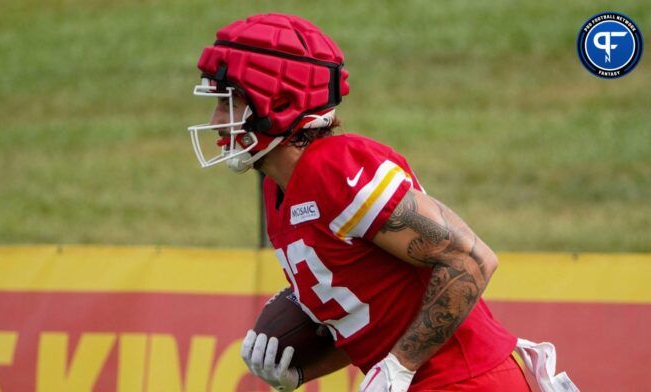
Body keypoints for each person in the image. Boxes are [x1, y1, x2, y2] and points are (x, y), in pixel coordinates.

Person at [188, 13, 532, 392]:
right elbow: (366, 319)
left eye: (230, 103)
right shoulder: (277, 187)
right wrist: (301, 371)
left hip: (469, 380)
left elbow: (471, 259)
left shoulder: (337, 169)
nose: (218, 120)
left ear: (280, 101)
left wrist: (400, 365)